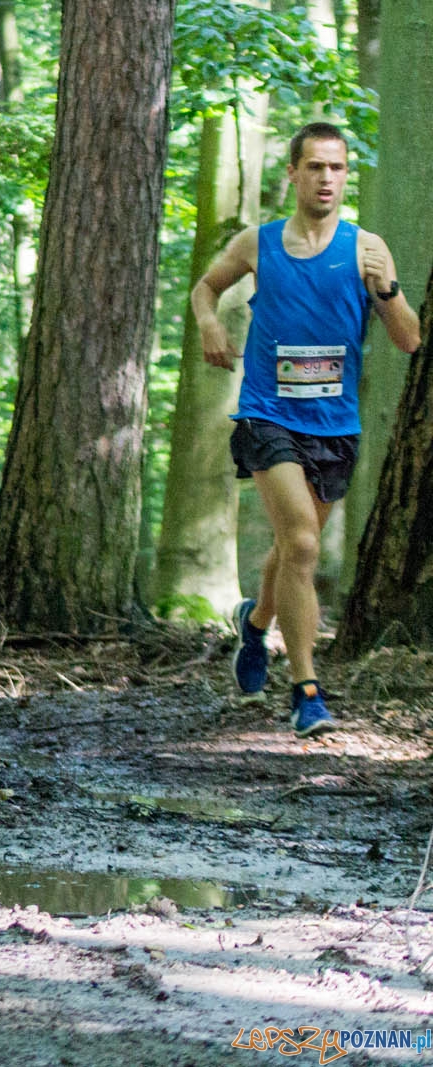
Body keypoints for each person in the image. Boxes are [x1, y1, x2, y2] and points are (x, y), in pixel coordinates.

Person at [193, 122, 421, 738]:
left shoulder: (366, 247)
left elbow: (409, 338)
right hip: (268, 414)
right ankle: (306, 690)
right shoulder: (258, 243)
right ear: (292, 173)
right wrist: (211, 325)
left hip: (335, 425)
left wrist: (389, 289)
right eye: (315, 167)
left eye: (337, 168)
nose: (327, 179)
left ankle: (257, 620)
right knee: (300, 545)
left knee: (294, 547)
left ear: (347, 175)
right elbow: (204, 289)